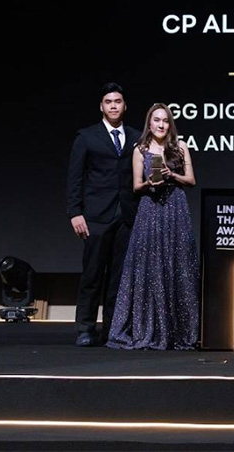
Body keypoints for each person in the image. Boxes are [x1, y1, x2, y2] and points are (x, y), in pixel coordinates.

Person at [107, 103, 200, 350]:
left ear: (170, 124)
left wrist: (172, 175)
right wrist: (150, 182)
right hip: (150, 209)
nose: (161, 125)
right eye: (157, 120)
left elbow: (191, 180)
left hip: (176, 209)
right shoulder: (140, 149)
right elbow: (136, 186)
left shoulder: (180, 147)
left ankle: (180, 331)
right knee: (150, 266)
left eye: (165, 121)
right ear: (149, 123)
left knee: (178, 264)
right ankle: (148, 327)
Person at [66, 82, 142, 347]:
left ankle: (113, 329)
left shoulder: (136, 137)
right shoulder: (87, 136)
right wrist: (75, 212)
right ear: (101, 106)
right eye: (108, 102)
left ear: (125, 106)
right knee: (92, 274)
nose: (113, 106)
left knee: (119, 279)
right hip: (96, 215)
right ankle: (85, 329)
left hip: (127, 215)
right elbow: (75, 177)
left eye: (118, 101)